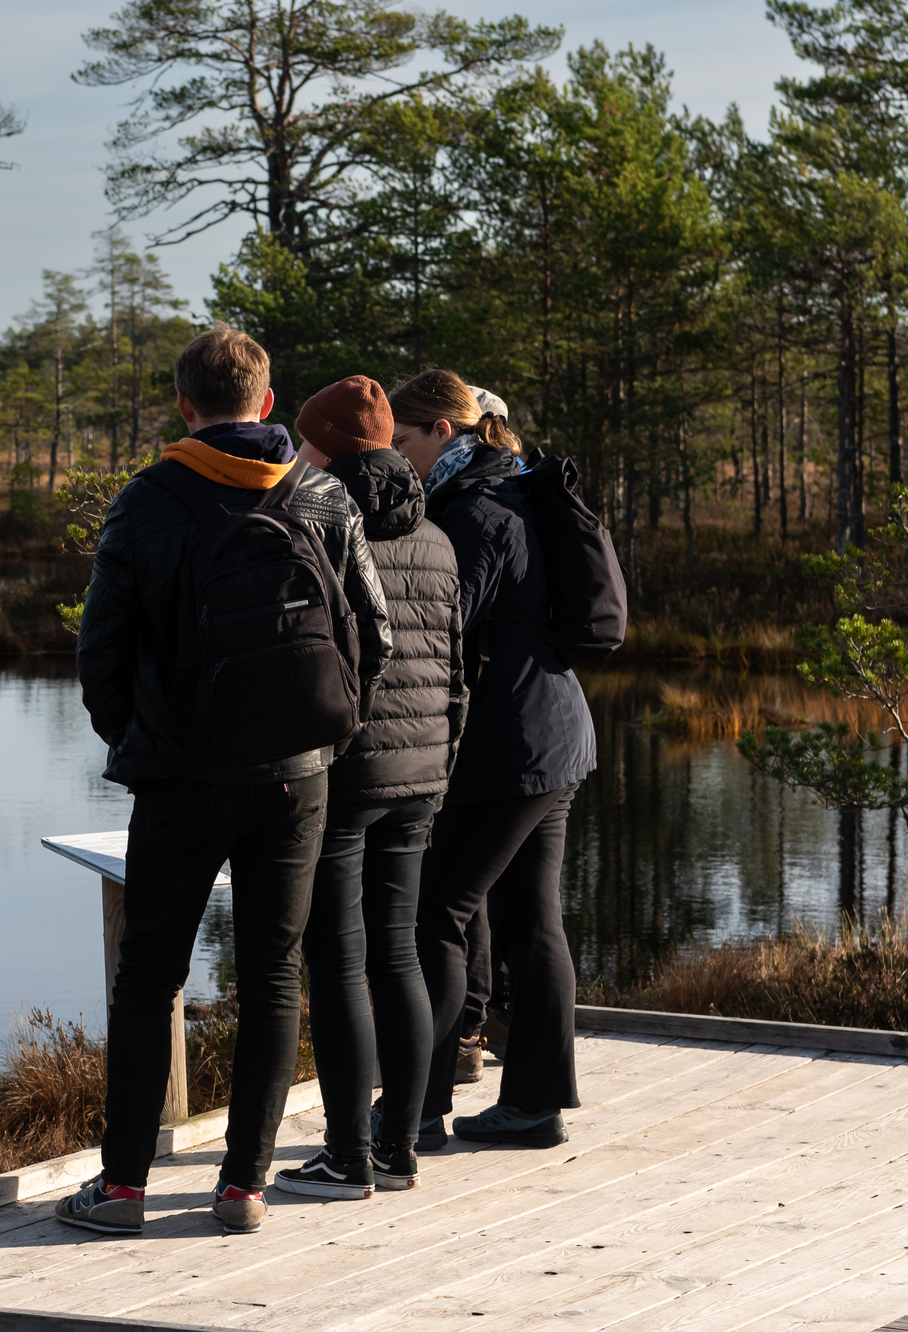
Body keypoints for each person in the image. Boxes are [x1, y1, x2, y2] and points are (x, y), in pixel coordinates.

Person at [60, 326, 392, 1237]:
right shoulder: (322, 494)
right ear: (268, 401)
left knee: (149, 976)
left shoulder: (145, 502)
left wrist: (142, 740)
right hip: (298, 780)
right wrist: (327, 736)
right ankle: (243, 1188)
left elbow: (100, 654)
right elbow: (376, 635)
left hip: (179, 775)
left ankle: (122, 1189)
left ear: (184, 406)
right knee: (274, 976)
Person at [385, 368, 594, 1151]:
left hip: (508, 745)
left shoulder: (474, 511)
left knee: (434, 915)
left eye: (404, 439)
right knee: (531, 921)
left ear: (442, 431)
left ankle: (415, 1111)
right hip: (553, 733)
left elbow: (446, 630)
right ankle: (533, 1105)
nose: (397, 456)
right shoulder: (509, 488)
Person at [269, 376, 464, 1203]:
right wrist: (443, 760)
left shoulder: (315, 524)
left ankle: (347, 1158)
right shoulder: (438, 536)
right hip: (421, 773)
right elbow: (457, 666)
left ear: (327, 449)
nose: (296, 452)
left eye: (305, 441)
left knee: (338, 961)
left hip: (344, 772)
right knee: (399, 953)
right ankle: (399, 1148)